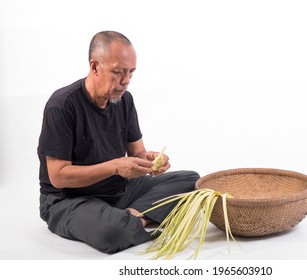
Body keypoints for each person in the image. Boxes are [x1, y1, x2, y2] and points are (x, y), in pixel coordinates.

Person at [37, 31, 200, 254]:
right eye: (118, 72)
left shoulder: (124, 100)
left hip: (117, 190)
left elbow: (137, 152)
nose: (125, 81)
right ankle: (133, 220)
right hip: (69, 200)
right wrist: (116, 166)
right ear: (94, 67)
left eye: (131, 72)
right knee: (112, 232)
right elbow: (58, 176)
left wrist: (151, 160)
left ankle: (129, 218)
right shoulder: (62, 105)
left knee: (192, 181)